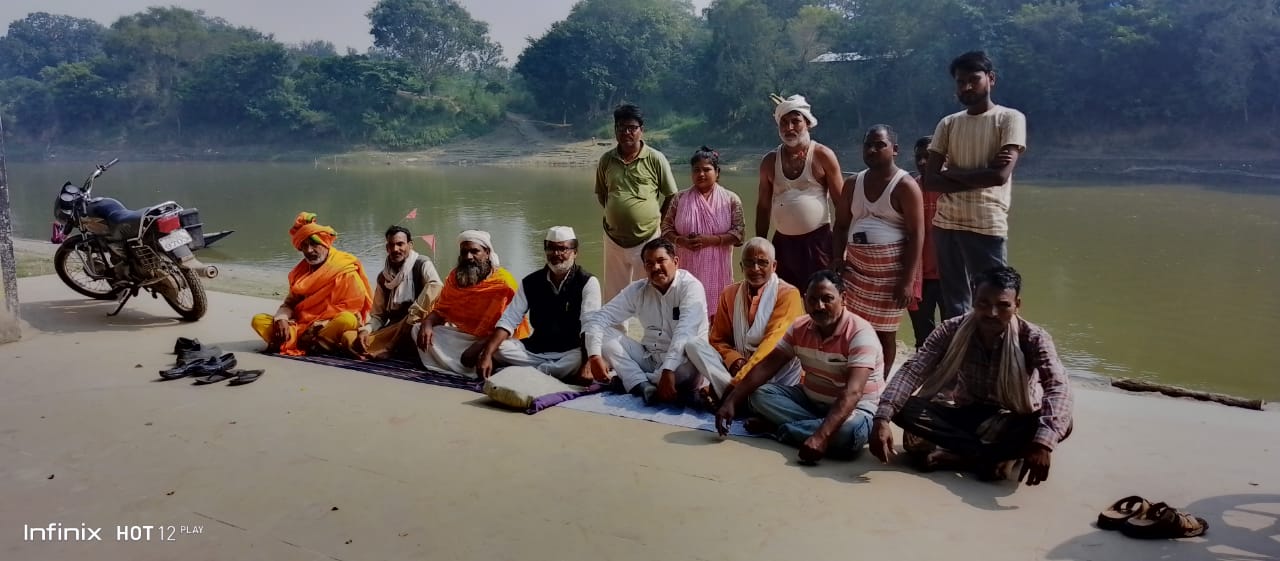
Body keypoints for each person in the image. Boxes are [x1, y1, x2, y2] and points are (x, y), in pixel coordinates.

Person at [869, 266, 1073, 486]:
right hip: (966, 412)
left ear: (1017, 305)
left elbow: (1057, 387)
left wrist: (1043, 444)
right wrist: (882, 418)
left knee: (1061, 424)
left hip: (1013, 417)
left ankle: (964, 455)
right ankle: (989, 457)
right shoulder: (952, 329)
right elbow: (913, 370)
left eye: (1003, 305)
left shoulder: (1033, 338)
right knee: (902, 407)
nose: (992, 313)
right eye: (984, 303)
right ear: (973, 300)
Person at [715, 270, 885, 464]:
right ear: (804, 300)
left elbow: (853, 393)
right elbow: (766, 367)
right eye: (812, 300)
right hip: (811, 402)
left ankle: (779, 430)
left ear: (843, 298)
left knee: (850, 433)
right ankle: (811, 428)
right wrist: (731, 401)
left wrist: (821, 437)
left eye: (827, 299)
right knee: (758, 395)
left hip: (855, 409)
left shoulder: (860, 333)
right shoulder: (799, 327)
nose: (819, 306)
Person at [922, 51, 1027, 320]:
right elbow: (930, 180)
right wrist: (982, 174)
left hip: (986, 223)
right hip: (947, 223)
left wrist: (952, 173)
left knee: (996, 301)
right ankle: (961, 346)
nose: (967, 87)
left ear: (991, 79)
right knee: (955, 304)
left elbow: (999, 177)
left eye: (973, 79)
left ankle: (1000, 347)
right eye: (961, 82)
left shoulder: (1009, 119)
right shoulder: (948, 123)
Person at [832, 125, 924, 375]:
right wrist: (837, 259)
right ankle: (855, 377)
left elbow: (917, 235)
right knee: (853, 327)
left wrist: (908, 281)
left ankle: (879, 383)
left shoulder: (905, 185)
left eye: (880, 145)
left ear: (895, 149)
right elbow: (840, 226)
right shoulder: (853, 183)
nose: (872, 150)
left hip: (891, 275)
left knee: (885, 333)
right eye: (868, 145)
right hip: (856, 270)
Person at [582, 238, 708, 405]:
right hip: (650, 359)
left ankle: (634, 380)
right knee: (603, 333)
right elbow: (599, 319)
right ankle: (643, 385)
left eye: (661, 261)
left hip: (682, 366)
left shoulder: (690, 287)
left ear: (676, 262)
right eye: (649, 263)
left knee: (692, 347)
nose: (655, 267)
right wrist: (594, 356)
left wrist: (668, 369)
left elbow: (685, 332)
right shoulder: (639, 290)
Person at [474, 226, 604, 383]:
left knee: (580, 359)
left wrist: (587, 365)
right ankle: (544, 372)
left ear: (575, 252)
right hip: (535, 350)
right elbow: (509, 319)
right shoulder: (531, 282)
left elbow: (590, 326)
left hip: (569, 351)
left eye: (562, 249)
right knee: (498, 349)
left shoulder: (587, 282)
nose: (556, 254)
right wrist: (487, 354)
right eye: (551, 249)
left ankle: (527, 372)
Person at [685, 237, 804, 407]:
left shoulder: (788, 295)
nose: (755, 269)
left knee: (763, 394)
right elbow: (717, 339)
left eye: (762, 262)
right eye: (749, 263)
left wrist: (738, 382)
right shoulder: (729, 293)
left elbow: (772, 346)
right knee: (694, 344)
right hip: (738, 367)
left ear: (774, 266)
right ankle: (739, 399)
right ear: (741, 267)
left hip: (773, 371)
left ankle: (731, 394)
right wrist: (735, 360)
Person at [251, 212, 372, 356]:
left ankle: (316, 342)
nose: (309, 250)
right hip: (301, 327)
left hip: (327, 326)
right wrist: (281, 319)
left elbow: (354, 310)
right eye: (304, 246)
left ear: (325, 244)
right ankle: (309, 343)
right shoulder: (300, 272)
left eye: (314, 244)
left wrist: (321, 324)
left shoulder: (345, 270)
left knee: (347, 319)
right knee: (258, 321)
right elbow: (289, 303)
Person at [412, 230, 530, 376]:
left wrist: (480, 345)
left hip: (494, 340)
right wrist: (427, 323)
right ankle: (470, 369)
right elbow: (442, 311)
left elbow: (512, 327)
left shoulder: (504, 283)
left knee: (504, 350)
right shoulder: (455, 278)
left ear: (487, 253)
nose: (468, 257)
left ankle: (473, 363)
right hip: (465, 337)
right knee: (417, 329)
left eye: (474, 251)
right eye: (464, 252)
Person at [755, 94, 844, 289]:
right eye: (783, 122)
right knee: (783, 299)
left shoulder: (822, 155)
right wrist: (760, 247)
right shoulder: (769, 162)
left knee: (821, 297)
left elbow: (842, 207)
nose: (789, 128)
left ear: (808, 123)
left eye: (795, 121)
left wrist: (841, 251)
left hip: (819, 243)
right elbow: (763, 207)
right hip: (782, 245)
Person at [595, 103, 679, 303]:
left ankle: (651, 324)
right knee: (614, 296)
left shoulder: (655, 159)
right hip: (613, 238)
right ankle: (616, 326)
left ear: (642, 129)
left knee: (651, 290)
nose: (626, 132)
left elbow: (671, 195)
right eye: (621, 127)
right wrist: (617, 214)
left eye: (632, 128)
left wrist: (658, 222)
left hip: (647, 238)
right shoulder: (606, 160)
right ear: (615, 130)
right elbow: (603, 195)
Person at [661, 146, 745, 320]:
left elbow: (739, 235)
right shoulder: (679, 198)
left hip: (718, 270)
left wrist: (711, 241)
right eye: (696, 170)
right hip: (686, 266)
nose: (701, 174)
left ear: (717, 172)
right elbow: (666, 229)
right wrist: (681, 241)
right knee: (685, 315)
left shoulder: (731, 199)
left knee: (716, 317)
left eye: (706, 170)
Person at [355, 225, 443, 360]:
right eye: (391, 245)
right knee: (350, 339)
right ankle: (390, 347)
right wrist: (366, 330)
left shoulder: (422, 264)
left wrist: (414, 313)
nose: (395, 249)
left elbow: (436, 285)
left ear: (410, 245)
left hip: (417, 324)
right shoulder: (383, 277)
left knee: (413, 322)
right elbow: (378, 316)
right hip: (394, 328)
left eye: (400, 244)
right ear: (387, 248)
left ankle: (390, 348)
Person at [908, 136, 943, 348]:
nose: (922, 162)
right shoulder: (909, 188)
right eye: (918, 157)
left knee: (955, 332)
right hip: (919, 277)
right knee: (923, 337)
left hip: (950, 275)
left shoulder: (952, 189)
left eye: (928, 157)